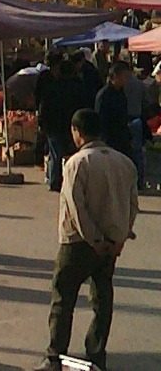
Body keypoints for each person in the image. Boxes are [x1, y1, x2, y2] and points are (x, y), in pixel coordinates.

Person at [34, 108, 138, 371]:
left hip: (77, 243)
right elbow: (132, 205)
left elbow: (76, 207)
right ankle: (96, 353)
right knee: (102, 300)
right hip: (111, 242)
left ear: (77, 132)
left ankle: (55, 355)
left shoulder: (76, 163)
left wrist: (93, 239)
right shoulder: (125, 163)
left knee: (63, 298)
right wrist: (121, 236)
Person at [39, 57, 89, 192]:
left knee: (55, 154)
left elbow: (44, 107)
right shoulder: (79, 88)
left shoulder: (52, 87)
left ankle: (54, 181)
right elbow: (84, 105)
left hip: (53, 126)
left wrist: (42, 124)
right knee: (73, 155)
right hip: (73, 126)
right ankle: (73, 180)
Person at [95, 62, 132, 158]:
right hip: (110, 139)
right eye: (125, 76)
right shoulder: (104, 95)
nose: (127, 80)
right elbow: (101, 120)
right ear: (115, 76)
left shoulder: (120, 92)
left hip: (122, 137)